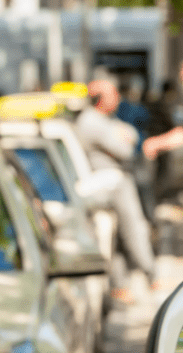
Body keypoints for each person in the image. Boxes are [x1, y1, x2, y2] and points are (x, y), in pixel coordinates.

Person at [75, 79, 156, 299]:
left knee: (120, 237)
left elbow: (132, 136)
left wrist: (127, 136)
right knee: (134, 228)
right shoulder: (91, 121)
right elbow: (126, 149)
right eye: (112, 94)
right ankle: (150, 274)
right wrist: (126, 137)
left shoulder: (105, 119)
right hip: (110, 183)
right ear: (100, 100)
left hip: (114, 180)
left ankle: (121, 285)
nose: (118, 98)